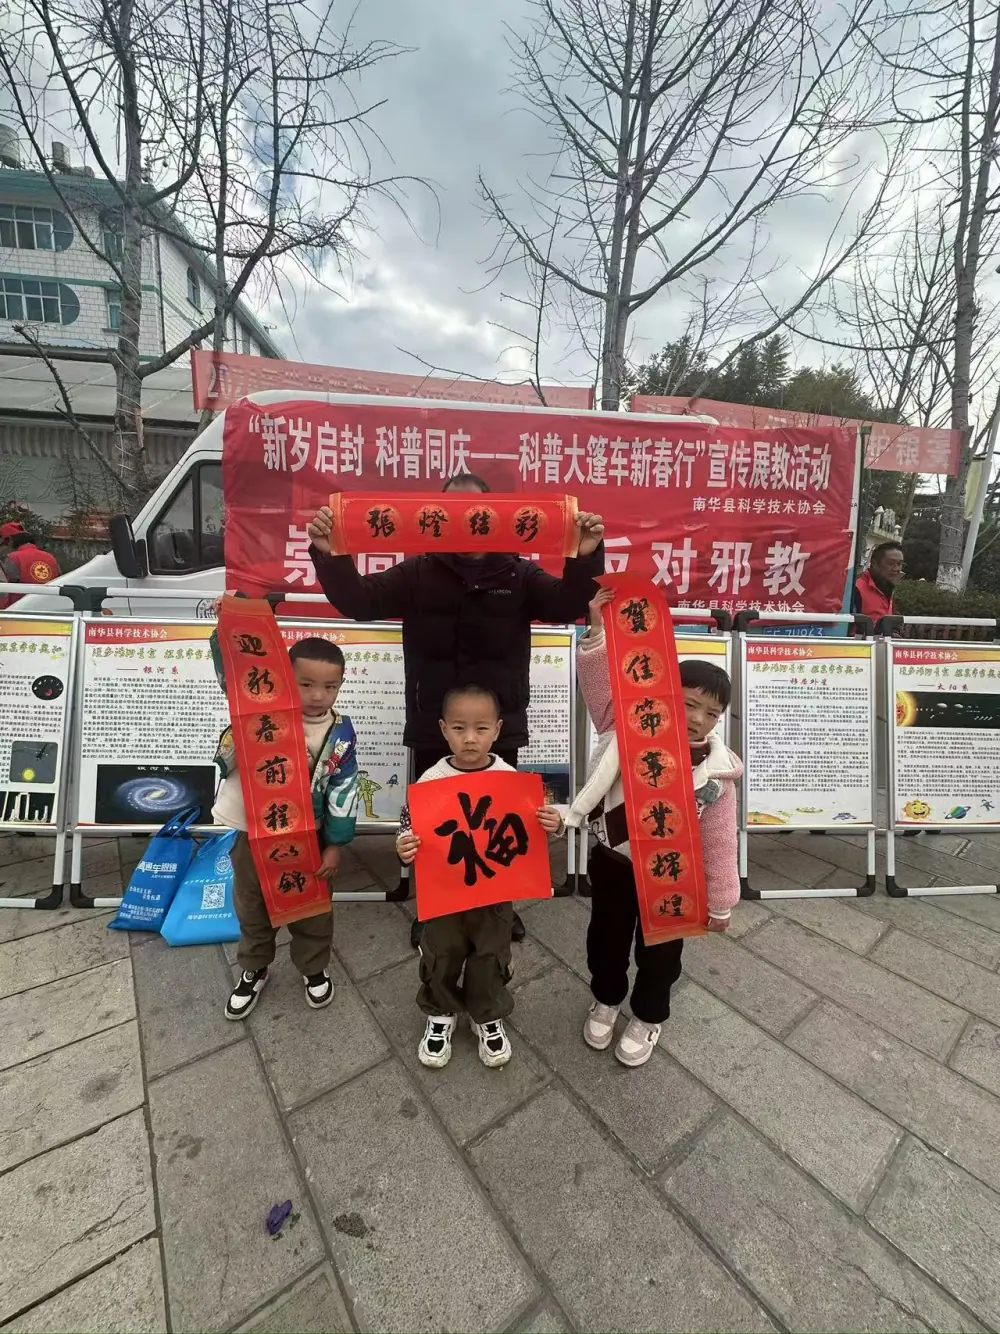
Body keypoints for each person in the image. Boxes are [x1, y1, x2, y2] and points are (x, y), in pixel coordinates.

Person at [306, 475, 605, 948]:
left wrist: (585, 555)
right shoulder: (418, 572)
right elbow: (359, 600)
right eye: (453, 512)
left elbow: (568, 603)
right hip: (434, 722)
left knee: (499, 818)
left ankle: (499, 906)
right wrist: (329, 553)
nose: (467, 522)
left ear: (494, 516)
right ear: (437, 518)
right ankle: (434, 908)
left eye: (476, 512)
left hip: (498, 725)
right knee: (433, 820)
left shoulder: (518, 574)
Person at [560, 588, 741, 1067]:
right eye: (689, 703)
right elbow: (599, 686)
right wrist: (598, 629)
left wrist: (721, 901)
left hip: (673, 875)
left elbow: (720, 843)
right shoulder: (624, 727)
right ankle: (606, 999)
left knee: (661, 952)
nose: (698, 719)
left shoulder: (716, 774)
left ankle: (647, 1016)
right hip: (614, 862)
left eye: (712, 713)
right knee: (606, 939)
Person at [395, 684, 563, 1069]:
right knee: (441, 952)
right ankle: (440, 1011)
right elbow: (409, 823)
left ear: (498, 729)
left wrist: (554, 823)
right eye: (458, 728)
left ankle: (486, 1011)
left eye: (481, 728)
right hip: (445, 894)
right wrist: (404, 844)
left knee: (491, 953)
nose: (470, 738)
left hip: (494, 894)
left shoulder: (510, 778)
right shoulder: (431, 779)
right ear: (443, 729)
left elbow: (533, 828)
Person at [210, 633, 360, 1019]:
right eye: (306, 684)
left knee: (312, 906)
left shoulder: (340, 732)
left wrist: (335, 845)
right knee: (253, 904)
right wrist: (224, 629)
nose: (318, 695)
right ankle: (254, 967)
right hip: (253, 832)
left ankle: (313, 967)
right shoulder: (259, 709)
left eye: (330, 686)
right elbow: (232, 671)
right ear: (284, 678)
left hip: (309, 835)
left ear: (341, 685)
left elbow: (344, 789)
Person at [0, 521, 60, 609]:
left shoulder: (12, 558)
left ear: (9, 541)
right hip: (50, 610)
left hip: (17, 611)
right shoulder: (51, 558)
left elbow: (3, 589)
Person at [853, 541, 903, 623]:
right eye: (891, 563)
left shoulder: (889, 588)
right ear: (874, 563)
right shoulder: (855, 588)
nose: (896, 569)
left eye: (899, 564)